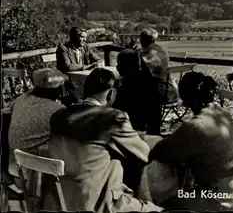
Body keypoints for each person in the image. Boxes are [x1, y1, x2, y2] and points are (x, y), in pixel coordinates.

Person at [47, 68, 163, 213]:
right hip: (99, 203)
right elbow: (145, 154)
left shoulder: (58, 116)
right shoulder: (112, 118)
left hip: (61, 200)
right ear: (111, 93)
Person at [149, 72, 233, 211]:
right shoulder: (223, 114)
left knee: (164, 204)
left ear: (185, 98)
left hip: (223, 198)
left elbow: (161, 152)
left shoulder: (195, 126)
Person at [8, 69, 67, 155]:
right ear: (57, 90)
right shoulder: (58, 110)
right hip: (36, 160)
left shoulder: (20, 100)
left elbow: (12, 105)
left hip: (16, 156)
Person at [139, 28, 179, 135]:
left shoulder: (144, 54)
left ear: (141, 40)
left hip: (158, 96)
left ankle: (145, 130)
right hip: (171, 91)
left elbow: (138, 74)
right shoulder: (162, 51)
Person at [114, 49, 154, 133]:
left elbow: (116, 110)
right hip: (147, 127)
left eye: (118, 64)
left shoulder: (127, 88)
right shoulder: (146, 80)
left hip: (130, 128)